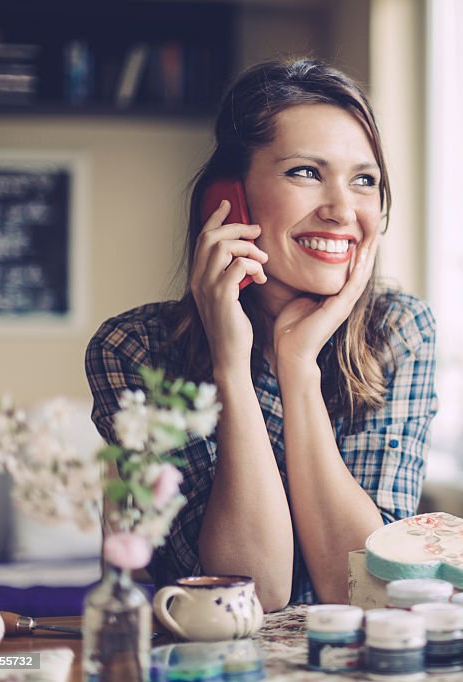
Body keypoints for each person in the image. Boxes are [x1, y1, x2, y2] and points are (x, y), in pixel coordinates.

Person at [85, 58, 438, 610]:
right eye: (305, 172)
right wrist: (232, 366)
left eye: (364, 180)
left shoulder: (399, 329)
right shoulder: (134, 350)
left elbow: (369, 590)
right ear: (229, 198)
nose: (342, 210)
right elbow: (250, 595)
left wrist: (298, 368)